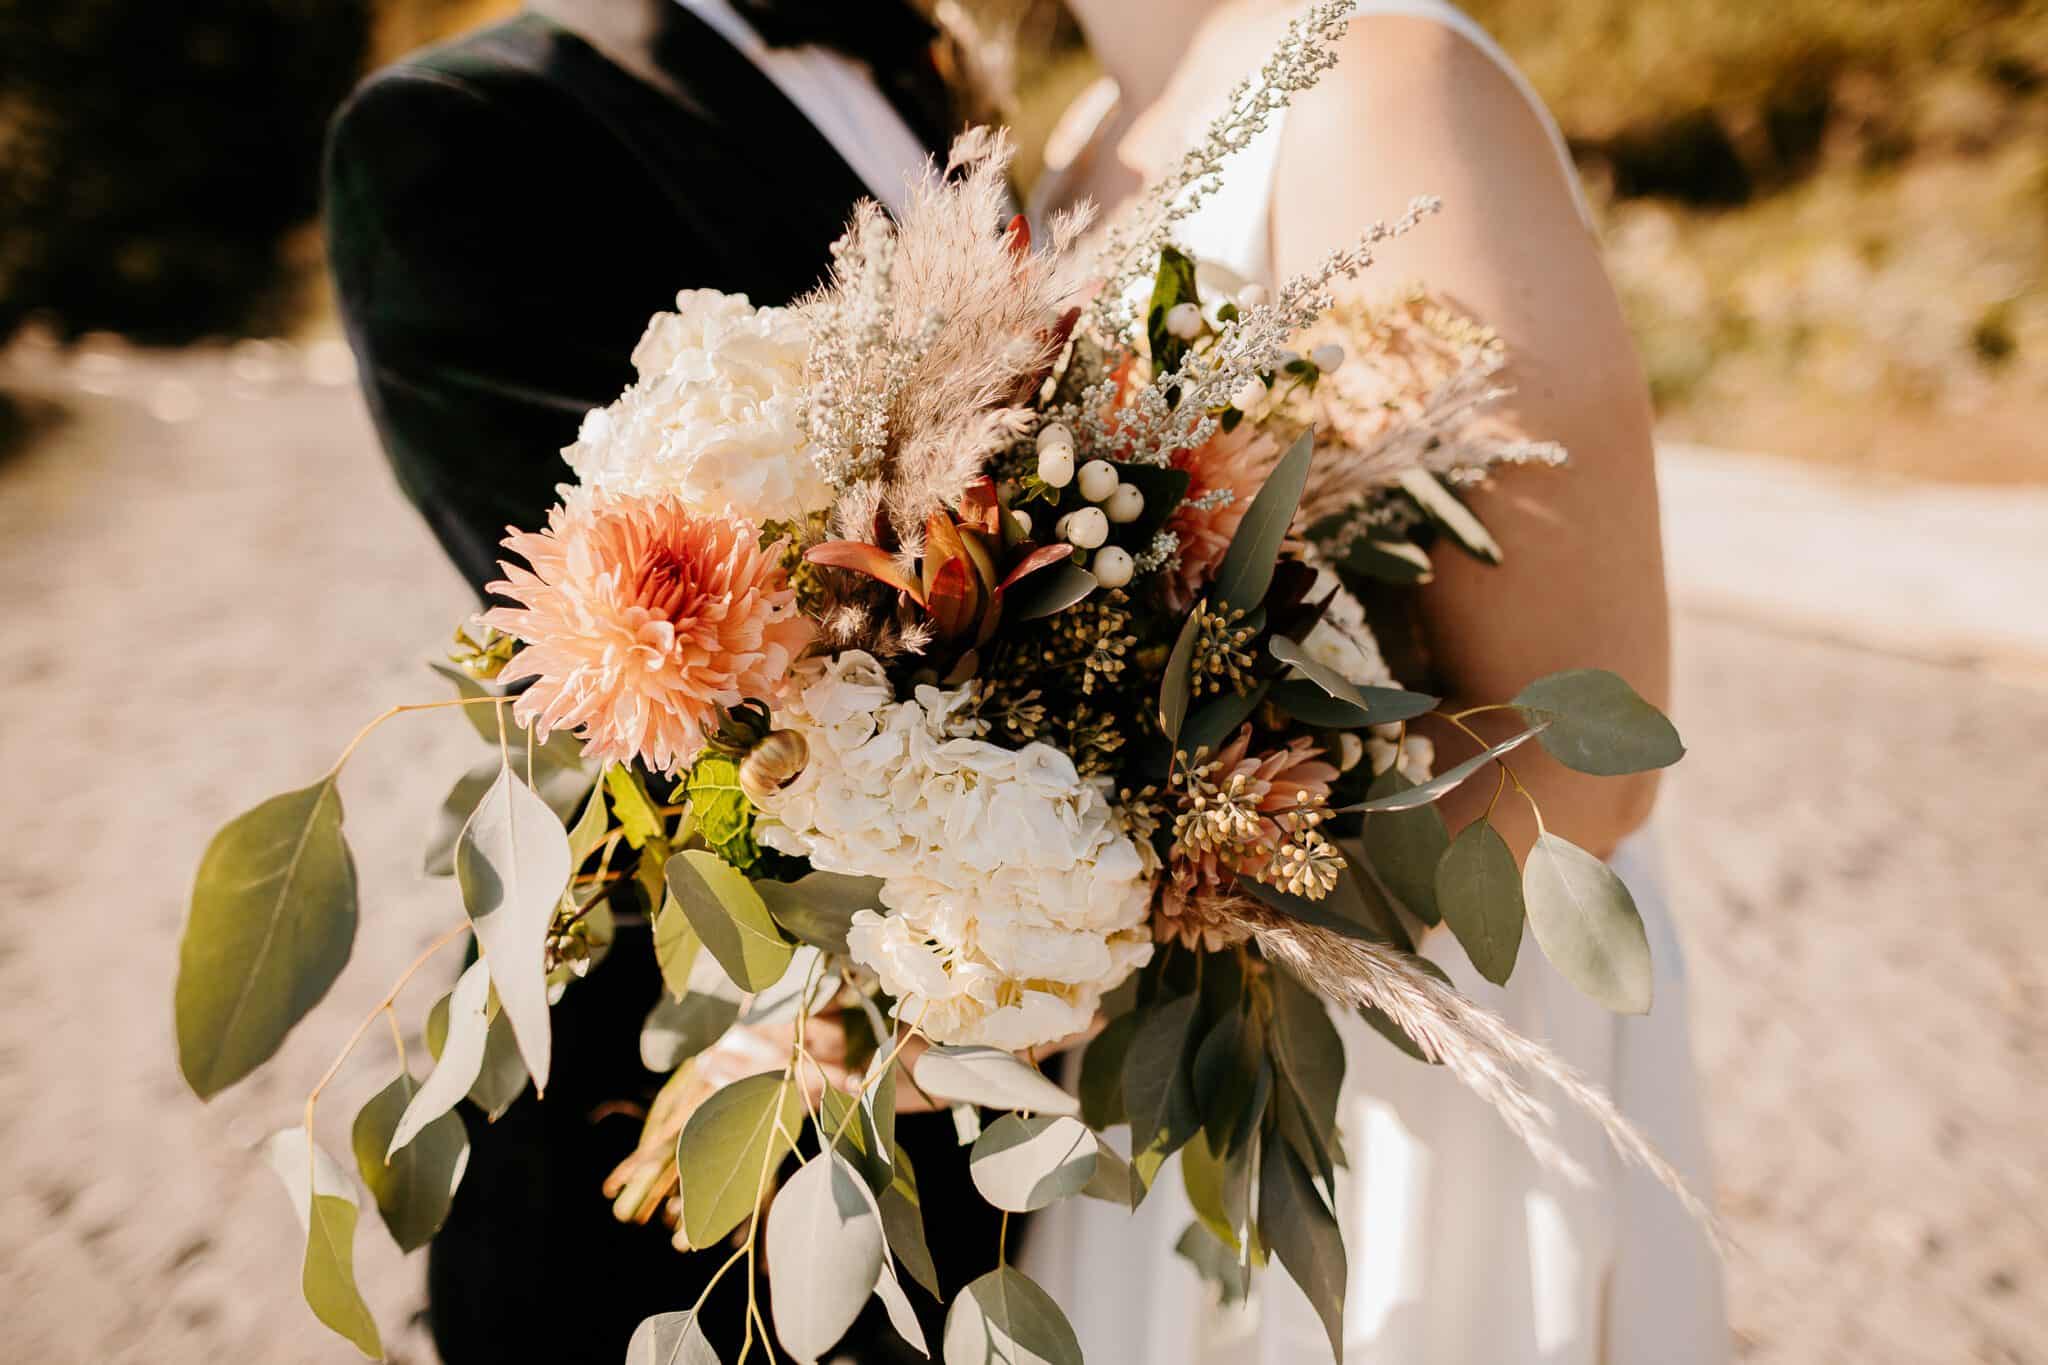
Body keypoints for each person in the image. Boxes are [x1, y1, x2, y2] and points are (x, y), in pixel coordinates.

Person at [1022, 2, 1731, 1361]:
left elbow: (1589, 752)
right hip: (1157, 1087)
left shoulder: (1390, 77)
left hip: (1404, 1073)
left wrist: (1116, 907)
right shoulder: (1090, 130)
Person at [322, 2, 984, 1359]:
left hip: (979, 1078)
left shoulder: (920, 80)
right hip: (681, 1080)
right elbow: (675, 656)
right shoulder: (457, 135)